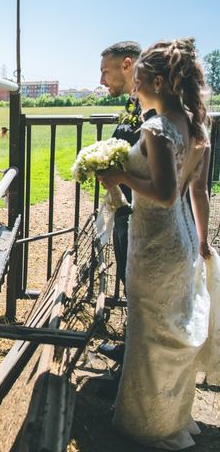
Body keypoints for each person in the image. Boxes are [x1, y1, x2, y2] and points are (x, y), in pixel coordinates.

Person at [97, 37, 213, 449]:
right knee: (169, 332)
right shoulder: (197, 125)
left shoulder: (157, 127)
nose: (135, 84)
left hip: (155, 241)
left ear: (159, 82)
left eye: (140, 77)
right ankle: (172, 415)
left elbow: (163, 193)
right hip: (180, 238)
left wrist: (121, 178)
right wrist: (203, 241)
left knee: (151, 334)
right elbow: (196, 192)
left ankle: (149, 425)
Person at [97, 41, 143, 364]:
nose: (102, 80)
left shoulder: (149, 106)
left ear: (126, 65)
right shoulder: (133, 104)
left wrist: (120, 176)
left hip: (142, 212)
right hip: (126, 209)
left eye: (105, 71)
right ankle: (130, 351)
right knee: (130, 284)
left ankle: (136, 363)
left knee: (140, 290)